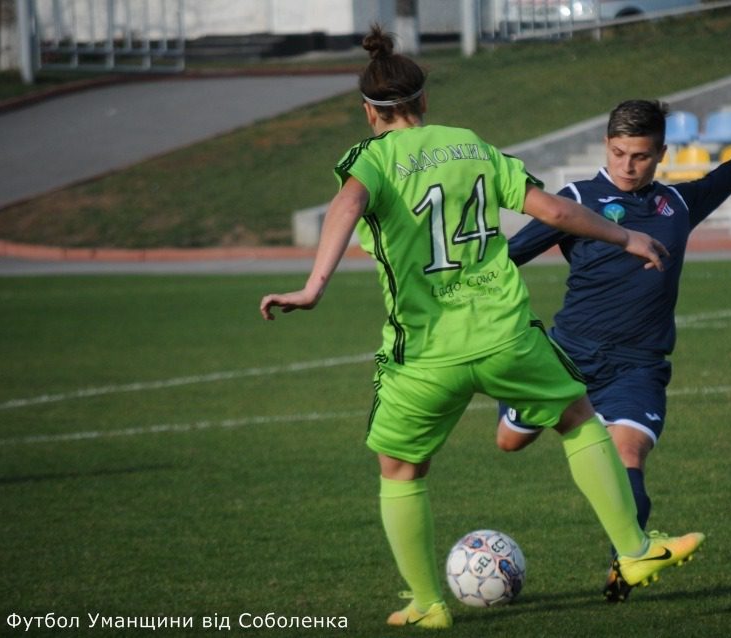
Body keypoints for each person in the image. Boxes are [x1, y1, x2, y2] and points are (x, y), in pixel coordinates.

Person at [259, 26, 705, 630]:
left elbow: (347, 205)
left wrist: (313, 287)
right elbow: (550, 209)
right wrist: (625, 235)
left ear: (370, 111)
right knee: (578, 418)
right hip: (504, 335)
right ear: (424, 102)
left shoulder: (370, 159)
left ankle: (428, 603)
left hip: (424, 353)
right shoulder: (469, 144)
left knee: (401, 471)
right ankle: (634, 547)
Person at [495, 99, 731, 602]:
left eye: (639, 156)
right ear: (606, 147)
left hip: (638, 364)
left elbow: (721, 181)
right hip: (567, 355)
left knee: (627, 452)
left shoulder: (675, 205)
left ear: (660, 152)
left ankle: (626, 561)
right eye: (618, 153)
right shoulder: (574, 200)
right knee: (509, 442)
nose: (627, 166)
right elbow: (509, 257)